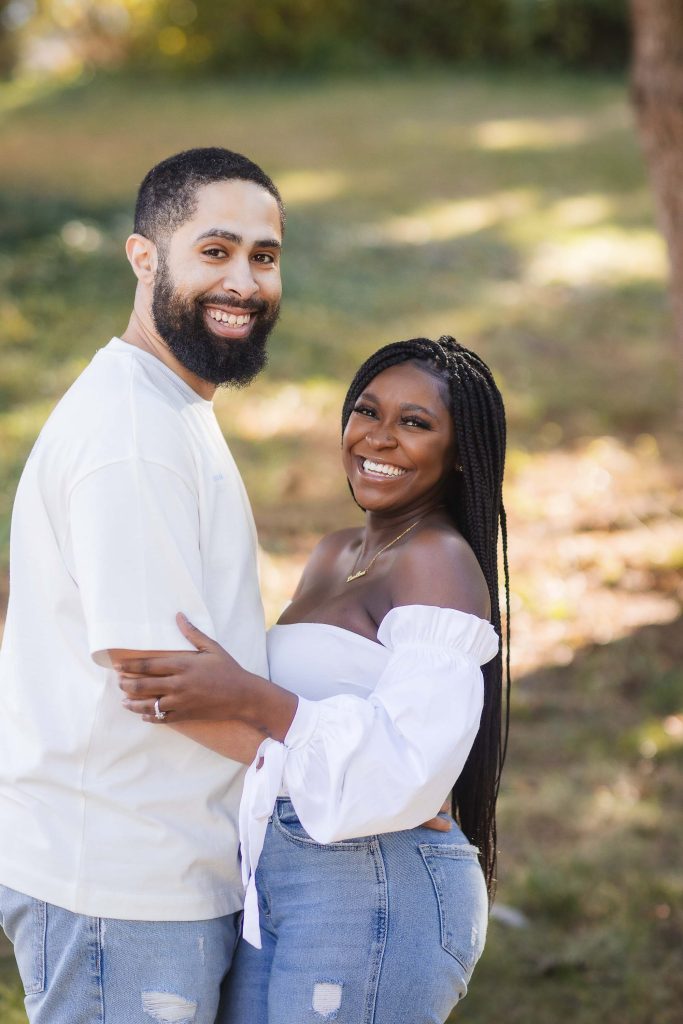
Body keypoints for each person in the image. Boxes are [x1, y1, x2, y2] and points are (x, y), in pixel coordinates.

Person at [118, 335, 510, 1024]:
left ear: (458, 456)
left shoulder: (435, 559)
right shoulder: (336, 553)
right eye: (366, 411)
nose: (378, 439)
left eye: (415, 423)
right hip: (288, 878)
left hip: (377, 884)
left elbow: (407, 764)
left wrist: (246, 693)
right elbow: (291, 747)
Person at [0, 147, 286, 1023]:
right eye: (215, 250)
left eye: (264, 257)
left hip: (156, 869)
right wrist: (349, 782)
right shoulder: (133, 433)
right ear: (144, 257)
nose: (243, 280)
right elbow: (160, 679)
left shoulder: (168, 405)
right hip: (118, 884)